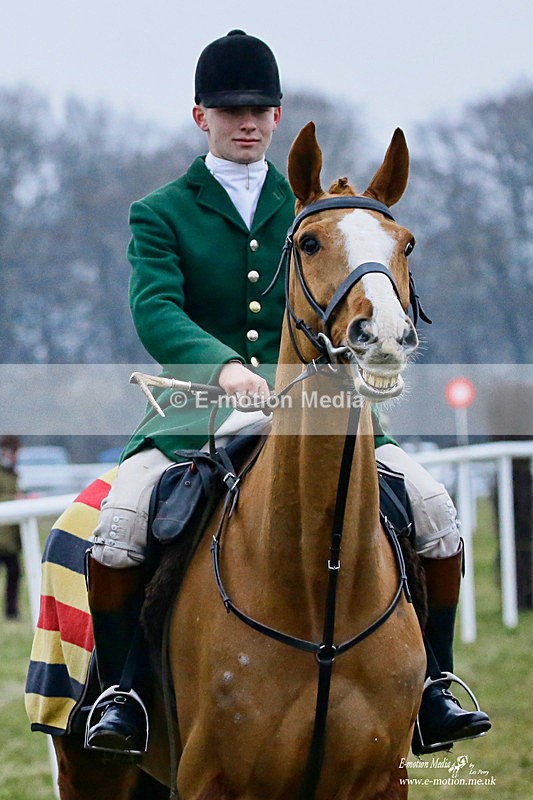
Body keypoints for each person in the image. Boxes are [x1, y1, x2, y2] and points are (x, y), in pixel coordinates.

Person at [85, 30, 490, 756]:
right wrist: (222, 368)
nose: (246, 121)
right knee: (117, 530)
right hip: (194, 413)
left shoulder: (318, 210)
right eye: (229, 108)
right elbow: (156, 309)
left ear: (277, 118)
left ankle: (433, 686)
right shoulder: (161, 211)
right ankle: (124, 690)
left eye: (261, 109)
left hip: (324, 407)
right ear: (199, 115)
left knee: (433, 510)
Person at [0, 435, 22, 620]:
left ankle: (11, 612)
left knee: (14, 573)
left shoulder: (13, 473)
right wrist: (15, 500)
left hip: (9, 538)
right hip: (2, 536)